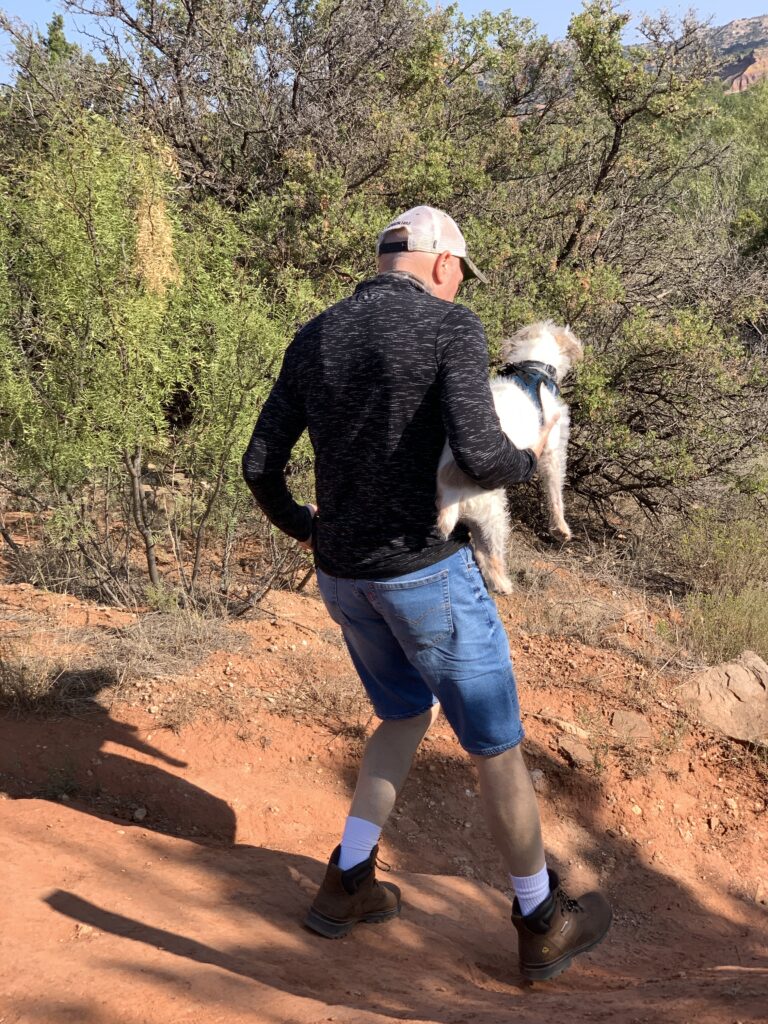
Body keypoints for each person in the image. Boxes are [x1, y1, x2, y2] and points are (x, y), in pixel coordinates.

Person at [242, 206, 611, 981]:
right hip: (423, 575)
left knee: (404, 713)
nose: (458, 287)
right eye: (459, 274)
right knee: (496, 742)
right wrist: (532, 452)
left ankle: (347, 883)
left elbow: (258, 463)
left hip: (344, 577)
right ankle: (542, 919)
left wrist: (302, 524)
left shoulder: (315, 336)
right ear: (443, 262)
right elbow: (480, 455)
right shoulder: (452, 328)